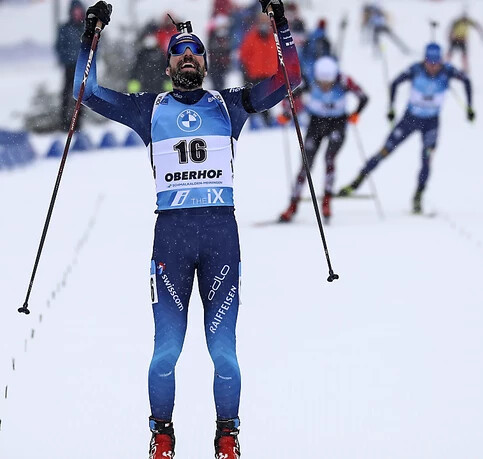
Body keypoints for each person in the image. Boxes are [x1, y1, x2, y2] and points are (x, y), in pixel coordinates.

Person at [73, 1, 301, 457]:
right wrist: (90, 35)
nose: (188, 57)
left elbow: (290, 81)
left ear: (204, 60)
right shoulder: (147, 110)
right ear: (169, 62)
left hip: (220, 239)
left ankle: (227, 435)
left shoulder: (229, 104)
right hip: (171, 243)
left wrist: (281, 26)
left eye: (195, 51)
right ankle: (162, 434)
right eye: (179, 52)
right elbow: (87, 90)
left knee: (224, 354)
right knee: (165, 352)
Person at [337, 43, 474, 214]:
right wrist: (391, 108)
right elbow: (395, 83)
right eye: (429, 63)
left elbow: (467, 81)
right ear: (424, 60)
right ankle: (356, 182)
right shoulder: (415, 69)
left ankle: (418, 196)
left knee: (427, 158)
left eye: (436, 63)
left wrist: (469, 107)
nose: (432, 67)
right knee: (385, 151)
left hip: (431, 123)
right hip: (410, 119)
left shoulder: (448, 70)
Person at [278, 56, 369, 223]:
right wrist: (286, 114)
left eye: (329, 83)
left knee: (330, 159)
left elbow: (363, 97)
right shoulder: (310, 79)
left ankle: (327, 201)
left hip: (338, 123)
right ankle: (293, 205)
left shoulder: (343, 80)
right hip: (316, 122)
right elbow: (291, 95)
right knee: (306, 164)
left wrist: (356, 113)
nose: (325, 86)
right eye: (322, 83)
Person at [239, 13, 278, 123]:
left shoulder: (274, 37)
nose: (264, 25)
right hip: (253, 75)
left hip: (268, 76)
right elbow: (244, 55)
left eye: (266, 22)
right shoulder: (251, 37)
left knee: (266, 99)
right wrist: (246, 70)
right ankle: (255, 120)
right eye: (262, 22)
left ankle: (266, 120)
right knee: (253, 99)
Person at [55, 0, 86, 130]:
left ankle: (77, 123)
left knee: (81, 95)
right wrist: (66, 59)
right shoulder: (66, 28)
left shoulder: (86, 28)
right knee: (67, 93)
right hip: (69, 66)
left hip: (82, 66)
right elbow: (59, 46)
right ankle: (64, 122)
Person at [128, 29, 172, 93]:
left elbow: (165, 69)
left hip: (157, 87)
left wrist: (168, 83)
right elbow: (136, 69)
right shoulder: (142, 54)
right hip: (146, 86)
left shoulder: (160, 54)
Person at [207, 15, 233, 90]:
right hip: (215, 66)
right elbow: (211, 50)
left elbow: (228, 51)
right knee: (216, 85)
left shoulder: (226, 37)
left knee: (221, 85)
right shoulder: (213, 37)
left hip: (223, 66)